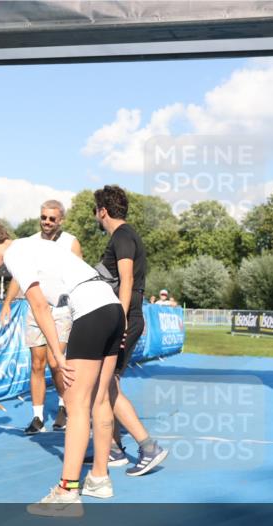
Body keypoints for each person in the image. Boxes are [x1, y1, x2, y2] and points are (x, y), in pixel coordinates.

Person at [0, 217, 124, 515]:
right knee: (100, 398)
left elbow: (38, 305)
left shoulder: (14, 253)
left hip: (90, 310)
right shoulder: (35, 244)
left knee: (76, 406)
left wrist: (57, 352)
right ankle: (100, 479)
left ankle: (67, 491)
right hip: (112, 307)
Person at [94, 185, 168, 476]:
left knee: (106, 386)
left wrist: (119, 320)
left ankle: (148, 447)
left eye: (96, 213)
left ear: (103, 211)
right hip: (127, 314)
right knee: (109, 383)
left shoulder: (122, 236)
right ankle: (113, 449)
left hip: (125, 317)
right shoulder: (126, 235)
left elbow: (125, 280)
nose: (97, 218)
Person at [0, 200, 82, 435]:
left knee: (56, 362)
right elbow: (19, 276)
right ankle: (37, 417)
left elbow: (80, 274)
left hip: (62, 309)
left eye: (52, 219)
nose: (47, 222)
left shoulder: (71, 243)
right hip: (36, 308)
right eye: (44, 217)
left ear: (61, 220)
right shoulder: (29, 244)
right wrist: (7, 303)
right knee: (37, 363)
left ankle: (64, 407)